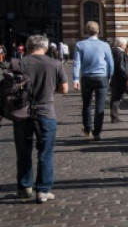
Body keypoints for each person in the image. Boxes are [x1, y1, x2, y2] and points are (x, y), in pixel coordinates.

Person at [11, 35, 68, 203]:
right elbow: (64, 89)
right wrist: (49, 90)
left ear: (28, 47)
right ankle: (42, 191)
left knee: (23, 152)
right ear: (46, 48)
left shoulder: (18, 63)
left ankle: (24, 187)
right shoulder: (55, 64)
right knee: (45, 153)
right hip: (46, 112)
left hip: (22, 113)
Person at [73, 21, 114, 140]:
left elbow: (76, 63)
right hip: (102, 77)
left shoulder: (80, 44)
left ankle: (87, 128)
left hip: (86, 77)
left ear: (86, 31)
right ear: (98, 31)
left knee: (86, 104)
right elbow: (110, 63)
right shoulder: (105, 45)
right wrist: (109, 76)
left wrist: (75, 79)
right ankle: (97, 132)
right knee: (100, 106)